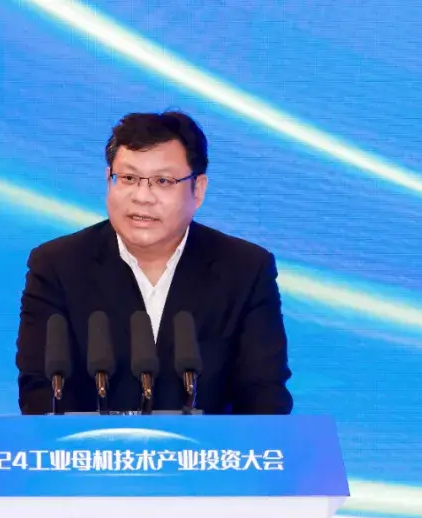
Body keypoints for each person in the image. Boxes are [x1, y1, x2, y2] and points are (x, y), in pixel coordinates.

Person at [15, 111, 293, 415]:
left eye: (163, 181)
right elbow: (39, 391)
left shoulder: (245, 269)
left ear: (198, 190)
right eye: (129, 178)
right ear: (109, 180)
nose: (142, 197)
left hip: (208, 446)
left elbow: (264, 397)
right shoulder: (57, 266)